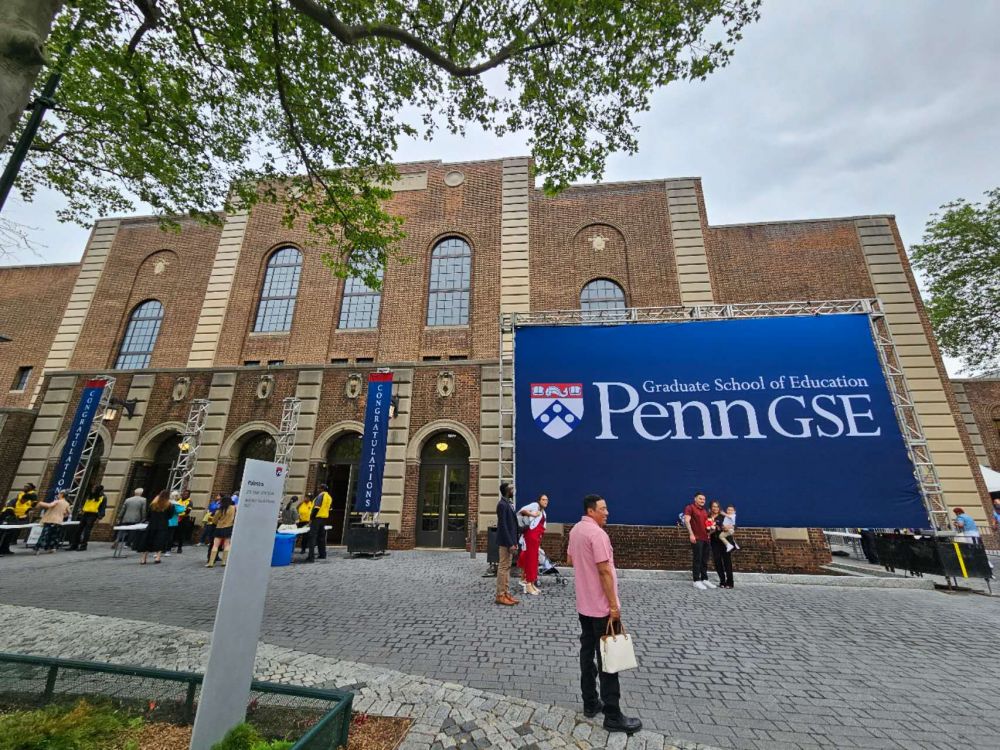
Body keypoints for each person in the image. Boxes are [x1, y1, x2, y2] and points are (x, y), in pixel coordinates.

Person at [566, 494, 642, 735]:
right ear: (591, 511)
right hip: (601, 608)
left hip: (584, 605)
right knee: (609, 660)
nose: (607, 512)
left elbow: (570, 559)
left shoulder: (575, 530)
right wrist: (613, 606)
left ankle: (590, 702)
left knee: (587, 653)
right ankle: (613, 715)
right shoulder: (598, 534)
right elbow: (604, 571)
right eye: (603, 508)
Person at [518, 493, 549, 596]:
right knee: (531, 560)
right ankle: (528, 584)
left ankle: (531, 583)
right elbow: (522, 510)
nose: (545, 501)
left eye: (546, 500)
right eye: (543, 499)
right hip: (531, 536)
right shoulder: (534, 505)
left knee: (534, 560)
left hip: (536, 538)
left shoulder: (544, 512)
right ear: (539, 500)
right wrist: (533, 514)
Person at [494, 482, 520, 606]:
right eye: (511, 489)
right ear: (506, 490)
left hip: (510, 540)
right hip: (505, 541)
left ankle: (506, 593)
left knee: (507, 567)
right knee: (503, 567)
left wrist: (515, 541)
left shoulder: (508, 503)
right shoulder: (502, 505)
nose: (513, 490)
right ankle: (500, 595)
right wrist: (510, 543)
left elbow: (513, 525)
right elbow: (503, 526)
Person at [683, 492, 715, 590]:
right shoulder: (690, 508)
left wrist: (710, 531)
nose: (702, 501)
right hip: (697, 538)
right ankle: (696, 581)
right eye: (700, 499)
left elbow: (707, 524)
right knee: (697, 559)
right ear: (695, 499)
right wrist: (691, 534)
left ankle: (704, 579)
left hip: (706, 538)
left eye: (704, 499)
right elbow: (687, 521)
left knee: (704, 560)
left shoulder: (705, 511)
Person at [139, 490, 176, 564]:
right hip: (162, 525)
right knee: (160, 541)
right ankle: (157, 558)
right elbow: (170, 516)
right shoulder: (170, 505)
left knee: (147, 541)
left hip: (152, 525)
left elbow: (148, 516)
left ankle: (143, 559)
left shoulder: (153, 504)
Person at [0, 483, 37, 555]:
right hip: (6, 517)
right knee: (3, 533)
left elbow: (26, 511)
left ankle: (5, 549)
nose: (25, 501)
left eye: (27, 500)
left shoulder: (27, 503)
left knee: (10, 534)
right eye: (24, 499)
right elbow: (9, 511)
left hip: (14, 519)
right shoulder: (14, 501)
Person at [69, 485, 107, 551]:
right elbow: (86, 503)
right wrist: (82, 510)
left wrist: (100, 516)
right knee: (78, 530)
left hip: (93, 515)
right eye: (93, 488)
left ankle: (83, 546)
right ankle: (74, 545)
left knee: (87, 531)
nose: (92, 489)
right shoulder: (90, 495)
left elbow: (103, 507)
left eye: (94, 488)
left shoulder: (103, 497)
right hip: (85, 513)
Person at [708, 501, 734, 589]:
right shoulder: (708, 517)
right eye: (714, 506)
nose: (715, 508)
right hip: (714, 542)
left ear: (719, 508)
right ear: (711, 507)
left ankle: (730, 582)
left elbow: (734, 525)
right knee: (717, 561)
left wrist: (728, 527)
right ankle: (722, 581)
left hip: (725, 542)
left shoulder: (723, 516)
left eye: (717, 506)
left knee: (727, 561)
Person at [206, 495, 236, 567]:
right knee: (227, 545)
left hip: (219, 528)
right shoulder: (233, 508)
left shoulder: (220, 509)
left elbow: (214, 520)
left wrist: (218, 522)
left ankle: (211, 562)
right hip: (229, 527)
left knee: (215, 545)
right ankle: (224, 562)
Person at [305, 484, 332, 563]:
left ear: (322, 489)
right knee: (321, 537)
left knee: (312, 537)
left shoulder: (321, 496)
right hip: (323, 519)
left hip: (316, 519)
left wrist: (311, 518)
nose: (318, 489)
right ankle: (322, 554)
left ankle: (311, 557)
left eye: (319, 488)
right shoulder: (329, 497)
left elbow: (316, 508)